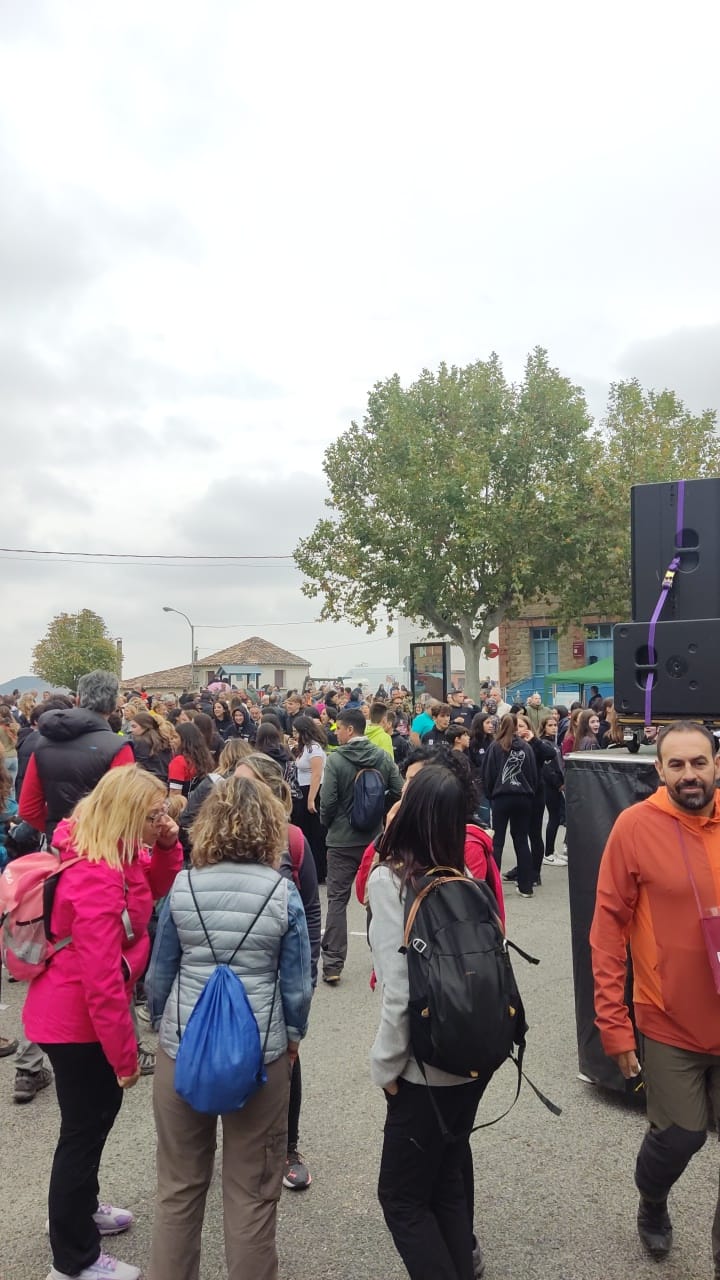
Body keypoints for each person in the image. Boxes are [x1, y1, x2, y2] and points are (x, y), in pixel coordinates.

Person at [145, 774, 312, 1280]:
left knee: (179, 1186)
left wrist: (161, 1026)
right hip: (258, 1052)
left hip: (184, 1046)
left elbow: (160, 974)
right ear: (270, 829)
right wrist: (293, 1040)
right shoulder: (282, 893)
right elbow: (296, 987)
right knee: (253, 1191)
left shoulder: (184, 885)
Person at [23, 766, 182, 1280]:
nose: (162, 817)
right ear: (130, 813)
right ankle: (74, 1260)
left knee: (89, 1123)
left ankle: (83, 1212)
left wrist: (165, 846)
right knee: (82, 1132)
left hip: (76, 1013)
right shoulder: (95, 872)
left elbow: (154, 888)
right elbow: (101, 981)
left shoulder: (114, 848)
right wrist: (125, 1057)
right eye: (155, 812)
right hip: (76, 1021)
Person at [590, 721, 720, 1269]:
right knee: (680, 1138)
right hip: (671, 1021)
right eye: (677, 765)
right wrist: (613, 1025)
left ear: (717, 764)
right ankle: (652, 1199)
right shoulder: (634, 826)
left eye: (699, 762)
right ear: (659, 770)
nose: (689, 774)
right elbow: (606, 930)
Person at [368, 766, 495, 1280]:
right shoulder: (460, 875)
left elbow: (397, 987)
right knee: (445, 1182)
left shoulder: (391, 880)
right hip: (472, 1054)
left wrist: (386, 1067)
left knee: (399, 1198)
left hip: (423, 1064)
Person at [234, 753, 321, 1192]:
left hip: (279, 974)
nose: (235, 792)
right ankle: (236, 1146)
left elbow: (310, 909)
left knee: (288, 1058)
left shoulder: (294, 840)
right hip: (229, 977)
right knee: (227, 1053)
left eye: (245, 783)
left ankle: (288, 1147)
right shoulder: (214, 838)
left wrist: (311, 967)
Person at [319, 709, 402, 985]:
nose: (336, 732)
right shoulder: (380, 756)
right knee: (376, 899)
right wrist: (380, 807)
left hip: (341, 839)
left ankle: (333, 964)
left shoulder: (336, 760)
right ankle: (379, 957)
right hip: (374, 839)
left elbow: (328, 800)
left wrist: (327, 823)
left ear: (350, 730)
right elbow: (400, 788)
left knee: (337, 901)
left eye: (339, 728)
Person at [19, 671, 134, 842]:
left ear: (78, 700)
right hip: (101, 846)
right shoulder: (118, 748)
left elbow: (28, 809)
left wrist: (60, 829)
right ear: (114, 705)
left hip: (58, 844)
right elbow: (126, 811)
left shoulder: (43, 743)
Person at [483, 714, 537, 898]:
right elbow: (532, 773)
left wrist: (491, 794)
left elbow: (488, 773)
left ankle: (492, 887)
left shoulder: (495, 747)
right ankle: (526, 886)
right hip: (523, 796)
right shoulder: (526, 747)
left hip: (501, 797)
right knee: (521, 840)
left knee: (497, 842)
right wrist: (529, 792)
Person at [514, 714, 556, 887]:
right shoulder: (511, 744)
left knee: (534, 834)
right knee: (518, 835)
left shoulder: (537, 745)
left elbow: (551, 754)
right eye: (516, 726)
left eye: (522, 726)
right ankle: (522, 868)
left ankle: (535, 873)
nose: (519, 730)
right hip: (516, 794)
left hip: (535, 794)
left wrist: (534, 741)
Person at [291, 716, 328, 884]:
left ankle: (319, 870)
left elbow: (317, 773)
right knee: (307, 832)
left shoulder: (314, 748)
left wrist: (311, 799)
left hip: (313, 791)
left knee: (315, 834)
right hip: (304, 789)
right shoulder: (305, 748)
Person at [538, 713, 567, 866]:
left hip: (556, 784)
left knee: (556, 818)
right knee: (554, 818)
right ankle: (548, 853)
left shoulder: (554, 743)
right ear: (543, 727)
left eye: (555, 725)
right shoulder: (544, 744)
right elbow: (548, 768)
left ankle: (551, 849)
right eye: (550, 725)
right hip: (549, 786)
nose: (554, 728)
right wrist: (558, 784)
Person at [129, 711, 178, 784]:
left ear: (145, 726)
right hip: (166, 781)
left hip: (148, 782)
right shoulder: (163, 739)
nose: (131, 730)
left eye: (134, 726)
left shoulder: (139, 741)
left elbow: (139, 766)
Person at [168, 722, 216, 797]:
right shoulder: (204, 758)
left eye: (175, 737)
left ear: (185, 740)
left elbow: (175, 795)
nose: (172, 741)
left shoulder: (179, 761)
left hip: (185, 805)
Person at [0, 705, 19, 798]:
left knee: (2, 786)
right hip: (14, 757)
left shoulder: (0, 728)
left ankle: (3, 808)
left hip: (4, 758)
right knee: (12, 786)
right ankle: (13, 808)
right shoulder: (14, 726)